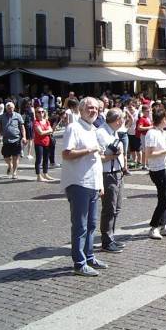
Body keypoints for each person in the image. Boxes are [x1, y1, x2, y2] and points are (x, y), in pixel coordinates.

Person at [61, 97, 108, 277]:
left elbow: (96, 161)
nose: (93, 111)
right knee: (80, 225)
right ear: (81, 110)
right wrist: (89, 150)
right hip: (78, 182)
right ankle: (79, 263)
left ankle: (89, 257)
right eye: (89, 108)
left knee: (91, 225)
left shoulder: (94, 129)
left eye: (96, 108)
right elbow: (66, 153)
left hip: (93, 184)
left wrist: (100, 184)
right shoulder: (74, 128)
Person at [96, 108, 127, 253]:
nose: (123, 122)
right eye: (122, 119)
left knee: (117, 207)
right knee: (109, 208)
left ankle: (111, 237)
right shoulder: (101, 133)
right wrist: (112, 156)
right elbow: (98, 157)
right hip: (107, 173)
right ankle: (106, 241)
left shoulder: (113, 131)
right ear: (117, 120)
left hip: (117, 172)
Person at [145, 107, 166, 239]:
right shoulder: (151, 133)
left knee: (164, 198)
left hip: (165, 167)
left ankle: (163, 226)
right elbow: (149, 154)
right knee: (165, 200)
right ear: (163, 119)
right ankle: (153, 227)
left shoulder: (162, 132)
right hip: (157, 170)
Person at [0, 102, 26, 179]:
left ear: (14, 107)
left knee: (15, 157)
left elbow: (22, 128)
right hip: (6, 140)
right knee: (6, 157)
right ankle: (10, 165)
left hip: (16, 139)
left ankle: (14, 172)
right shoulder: (2, 117)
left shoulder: (18, 116)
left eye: (12, 108)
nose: (11, 109)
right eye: (9, 108)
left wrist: (24, 137)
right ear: (6, 109)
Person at [33, 107, 54, 182]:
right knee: (39, 159)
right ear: (36, 114)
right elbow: (40, 132)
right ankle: (38, 176)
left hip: (47, 142)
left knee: (46, 159)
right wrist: (48, 131)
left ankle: (45, 174)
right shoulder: (36, 122)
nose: (41, 113)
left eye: (42, 111)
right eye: (39, 112)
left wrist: (48, 131)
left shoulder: (47, 121)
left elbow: (50, 130)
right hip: (39, 143)